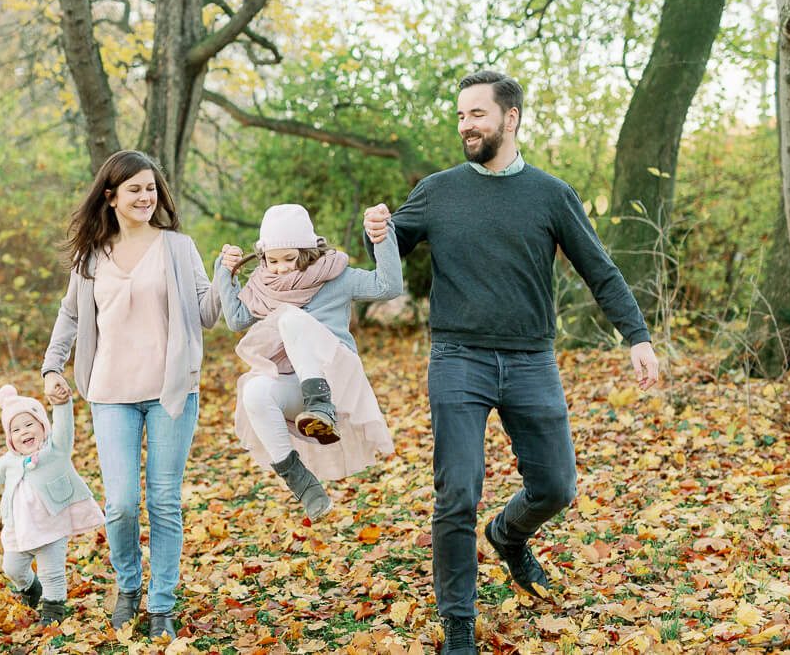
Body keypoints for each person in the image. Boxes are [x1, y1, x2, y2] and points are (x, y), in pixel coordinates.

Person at [363, 71, 660, 654]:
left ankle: (508, 534)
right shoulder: (438, 190)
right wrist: (376, 230)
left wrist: (637, 335)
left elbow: (599, 269)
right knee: (457, 492)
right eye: (460, 116)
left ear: (511, 118)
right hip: (458, 357)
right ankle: (459, 624)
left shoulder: (551, 195)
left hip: (531, 360)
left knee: (555, 486)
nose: (466, 125)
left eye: (477, 114)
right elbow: (388, 258)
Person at [41, 150, 220, 639]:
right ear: (111, 196)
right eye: (135, 188)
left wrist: (227, 275)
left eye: (151, 188)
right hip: (111, 394)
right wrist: (51, 364)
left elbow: (207, 313)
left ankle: (161, 601)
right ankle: (128, 587)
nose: (146, 196)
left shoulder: (179, 248)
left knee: (163, 502)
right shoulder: (91, 256)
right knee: (120, 503)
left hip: (171, 394)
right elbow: (72, 315)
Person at [214, 203, 400, 521]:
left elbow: (389, 286)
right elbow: (236, 319)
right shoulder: (265, 285)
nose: (281, 268)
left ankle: (322, 408)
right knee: (254, 391)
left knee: (290, 319)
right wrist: (223, 269)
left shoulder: (336, 277)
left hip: (336, 378)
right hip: (297, 382)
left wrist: (382, 237)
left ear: (308, 251)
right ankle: (304, 486)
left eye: (289, 258)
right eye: (272, 260)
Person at [0, 385, 104, 626]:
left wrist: (61, 404)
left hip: (52, 528)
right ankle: (30, 588)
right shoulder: (9, 462)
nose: (24, 432)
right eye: (16, 429)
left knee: (52, 573)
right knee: (12, 568)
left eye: (30, 425)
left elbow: (64, 428)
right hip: (19, 531)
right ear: (10, 438)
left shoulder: (55, 451)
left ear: (43, 426)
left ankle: (53, 609)